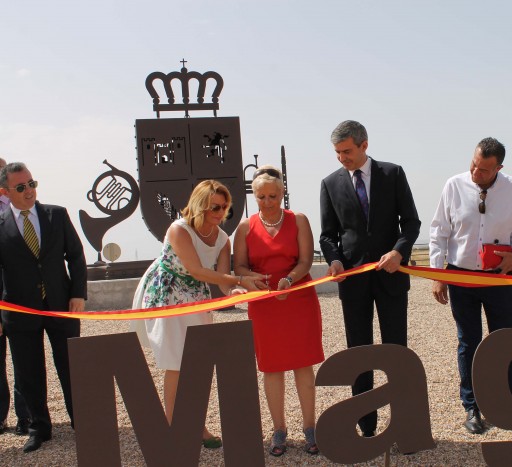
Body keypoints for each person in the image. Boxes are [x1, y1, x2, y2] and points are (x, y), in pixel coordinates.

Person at [132, 179, 266, 449]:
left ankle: (195, 424)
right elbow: (195, 270)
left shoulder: (223, 238)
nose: (219, 213)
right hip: (166, 293)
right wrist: (238, 282)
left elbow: (223, 279)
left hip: (197, 297)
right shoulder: (178, 229)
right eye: (214, 207)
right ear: (199, 205)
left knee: (195, 361)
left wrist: (233, 293)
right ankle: (173, 424)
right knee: (175, 361)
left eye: (224, 207)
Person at [320, 120, 421, 438]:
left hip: (391, 277)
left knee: (396, 351)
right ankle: (366, 428)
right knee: (358, 354)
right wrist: (335, 259)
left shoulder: (393, 173)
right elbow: (327, 235)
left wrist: (398, 252)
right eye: (337, 153)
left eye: (347, 151)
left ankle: (405, 424)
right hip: (353, 281)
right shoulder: (329, 183)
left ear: (364, 145)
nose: (341, 158)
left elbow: (412, 222)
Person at [429, 137, 512, 435]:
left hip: (499, 277)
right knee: (468, 342)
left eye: (484, 170)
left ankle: (511, 404)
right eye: (473, 164)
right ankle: (472, 407)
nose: (475, 172)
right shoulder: (453, 185)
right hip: (461, 277)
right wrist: (438, 274)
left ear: (499, 167)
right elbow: (439, 232)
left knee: (504, 340)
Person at [233, 165, 325, 457]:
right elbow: (240, 267)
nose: (268, 201)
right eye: (261, 196)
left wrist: (289, 281)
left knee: (302, 364)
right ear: (254, 196)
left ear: (282, 193)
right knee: (271, 367)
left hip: (297, 297)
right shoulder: (245, 227)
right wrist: (253, 281)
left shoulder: (298, 220)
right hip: (263, 303)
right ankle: (279, 429)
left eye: (273, 195)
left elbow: (306, 260)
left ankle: (310, 427)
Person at [0, 162, 87, 453]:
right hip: (19, 312)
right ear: (5, 191)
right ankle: (39, 429)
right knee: (29, 372)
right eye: (21, 187)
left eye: (32, 184)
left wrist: (78, 294)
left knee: (71, 366)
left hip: (61, 307)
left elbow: (75, 255)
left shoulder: (57, 214)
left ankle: (83, 422)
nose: (29, 191)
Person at [0, 158, 30, 437]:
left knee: (23, 363)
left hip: (20, 302)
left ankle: (26, 417)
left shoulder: (22, 210)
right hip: (3, 302)